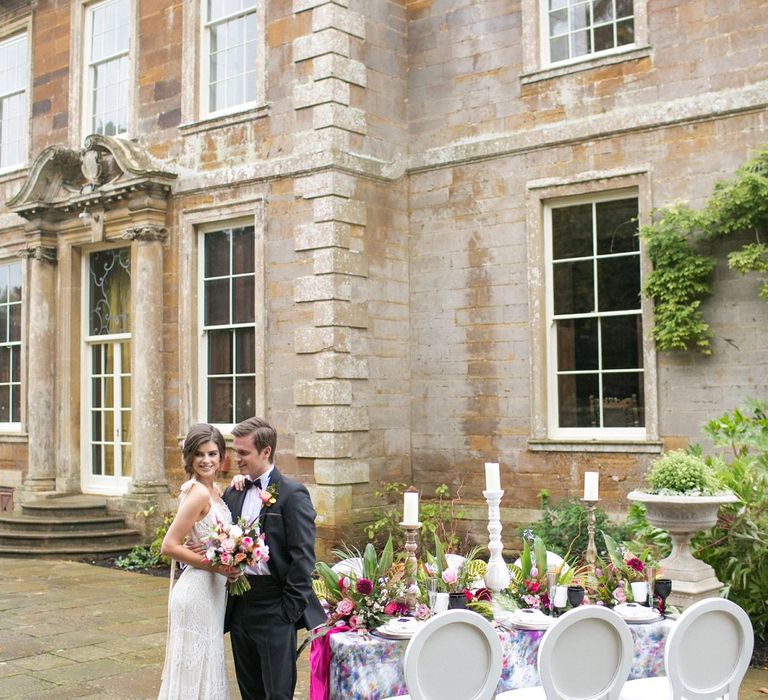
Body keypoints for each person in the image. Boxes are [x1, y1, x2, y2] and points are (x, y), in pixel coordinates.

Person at [223, 416, 327, 700]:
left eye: (243, 453)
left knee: (278, 694)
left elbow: (303, 558)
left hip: (275, 608)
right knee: (250, 692)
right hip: (240, 605)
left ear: (265, 451)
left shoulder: (293, 494)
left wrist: (287, 613)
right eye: (235, 451)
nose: (237, 458)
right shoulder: (234, 492)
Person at [157, 424, 239, 700]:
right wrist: (215, 565)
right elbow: (168, 546)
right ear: (190, 457)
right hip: (196, 592)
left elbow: (215, 533)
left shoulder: (214, 490)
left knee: (207, 662)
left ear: (221, 456)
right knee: (195, 666)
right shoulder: (199, 493)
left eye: (213, 453)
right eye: (200, 454)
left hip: (212, 592)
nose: (207, 460)